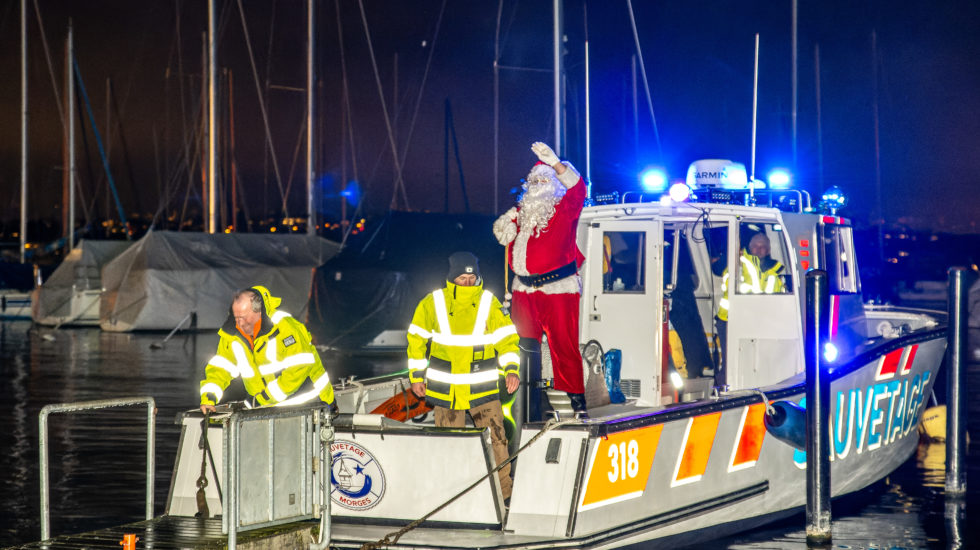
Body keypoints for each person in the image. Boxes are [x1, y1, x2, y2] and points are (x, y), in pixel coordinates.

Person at [407, 252, 520, 501]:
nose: (468, 282)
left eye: (472, 277)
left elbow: (508, 342)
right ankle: (451, 499)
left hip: (482, 389)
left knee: (497, 442)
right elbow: (415, 338)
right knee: (448, 446)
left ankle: (505, 498)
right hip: (446, 391)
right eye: (462, 277)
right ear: (451, 278)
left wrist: (512, 369)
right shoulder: (433, 302)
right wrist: (416, 376)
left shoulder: (489, 302)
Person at [492, 142, 587, 416]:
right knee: (520, 346)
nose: (538, 184)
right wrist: (507, 224)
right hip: (523, 290)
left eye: (544, 179)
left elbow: (579, 190)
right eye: (534, 181)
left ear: (555, 185)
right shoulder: (521, 215)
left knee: (563, 346)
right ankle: (522, 398)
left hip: (558, 290)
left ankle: (575, 400)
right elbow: (503, 235)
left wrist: (556, 164)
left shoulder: (564, 209)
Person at [199, 285, 336, 414]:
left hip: (308, 400)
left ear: (258, 311)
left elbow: (299, 368)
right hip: (264, 406)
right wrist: (209, 398)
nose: (239, 323)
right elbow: (220, 369)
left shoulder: (285, 327)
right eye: (236, 317)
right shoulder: (231, 334)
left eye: (244, 317)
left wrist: (265, 398)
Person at [715, 233, 785, 382]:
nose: (760, 250)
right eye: (756, 246)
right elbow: (728, 283)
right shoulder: (739, 263)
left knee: (755, 363)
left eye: (763, 247)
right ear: (749, 247)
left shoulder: (775, 270)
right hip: (730, 320)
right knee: (730, 363)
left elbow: (779, 295)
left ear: (768, 250)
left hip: (759, 323)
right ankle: (722, 395)